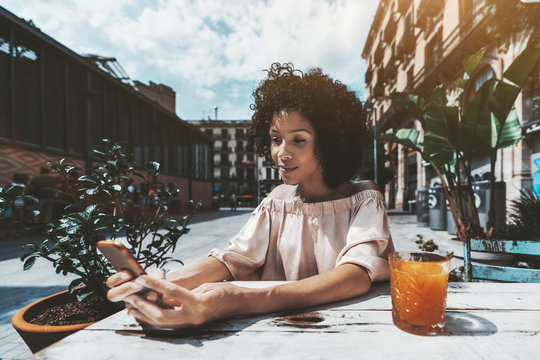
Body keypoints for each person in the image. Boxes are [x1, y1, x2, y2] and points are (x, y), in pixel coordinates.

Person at [106, 63, 394, 329]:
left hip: (346, 333)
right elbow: (231, 259)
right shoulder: (276, 201)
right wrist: (157, 283)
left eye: (298, 139)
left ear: (332, 142)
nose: (282, 153)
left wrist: (237, 299)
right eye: (275, 139)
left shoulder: (364, 197)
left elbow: (356, 275)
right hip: (272, 336)